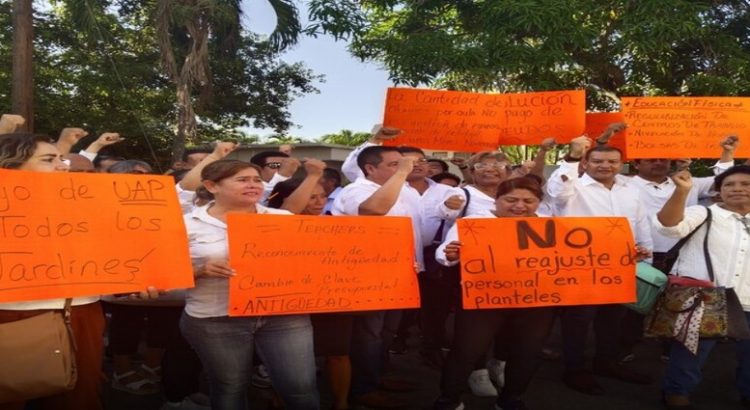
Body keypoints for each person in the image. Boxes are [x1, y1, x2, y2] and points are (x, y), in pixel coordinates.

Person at [0, 133, 158, 410]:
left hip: (81, 312)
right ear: (10, 166)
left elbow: (110, 258)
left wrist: (135, 281)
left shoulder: (94, 206)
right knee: (10, 393)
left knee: (78, 396)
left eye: (62, 159)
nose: (63, 165)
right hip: (12, 315)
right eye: (50, 160)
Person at [179, 159, 319, 410]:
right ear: (212, 186)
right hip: (215, 318)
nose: (253, 185)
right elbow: (163, 272)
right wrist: (199, 271)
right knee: (229, 386)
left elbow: (318, 259)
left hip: (283, 314)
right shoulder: (186, 225)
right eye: (242, 180)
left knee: (301, 386)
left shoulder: (284, 218)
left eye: (256, 180)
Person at [433, 177, 558, 410]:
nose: (520, 206)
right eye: (511, 199)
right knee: (466, 350)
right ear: (497, 199)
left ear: (539, 202)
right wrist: (450, 254)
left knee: (527, 351)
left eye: (528, 201)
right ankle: (449, 400)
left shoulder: (551, 225)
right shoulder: (474, 222)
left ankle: (512, 399)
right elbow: (444, 252)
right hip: (484, 300)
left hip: (535, 302)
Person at [545, 141, 653, 395]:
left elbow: (639, 222)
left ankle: (606, 363)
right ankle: (575, 370)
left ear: (620, 164)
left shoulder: (630, 190)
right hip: (580, 268)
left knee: (613, 320)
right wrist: (571, 157)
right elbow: (557, 191)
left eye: (612, 161)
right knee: (578, 322)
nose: (605, 166)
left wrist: (645, 254)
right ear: (585, 163)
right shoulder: (572, 187)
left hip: (621, 266)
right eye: (598, 161)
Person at [655, 165, 750, 409]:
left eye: (745, 184)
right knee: (691, 352)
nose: (737, 189)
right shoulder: (704, 213)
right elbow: (669, 226)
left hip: (748, 298)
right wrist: (681, 192)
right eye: (729, 185)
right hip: (706, 297)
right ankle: (677, 392)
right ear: (719, 192)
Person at [332, 145, 419, 408]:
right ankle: (362, 389)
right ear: (370, 168)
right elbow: (373, 211)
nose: (402, 168)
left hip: (399, 270)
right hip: (367, 274)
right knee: (369, 333)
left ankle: (378, 377)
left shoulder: (402, 189)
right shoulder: (355, 190)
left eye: (401, 164)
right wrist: (403, 172)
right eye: (393, 164)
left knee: (387, 331)